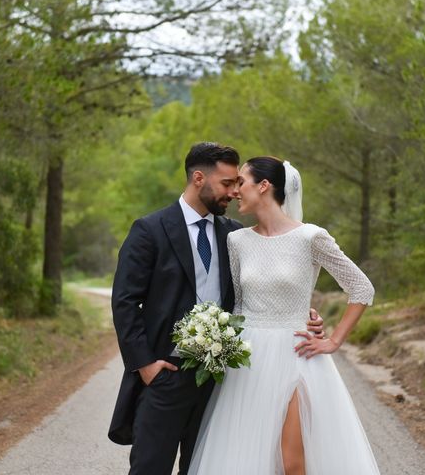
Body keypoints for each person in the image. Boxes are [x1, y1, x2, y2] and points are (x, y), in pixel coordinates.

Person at [108, 143, 324, 475]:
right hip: (165, 374)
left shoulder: (236, 236)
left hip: (221, 382)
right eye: (226, 183)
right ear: (198, 178)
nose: (234, 191)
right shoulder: (150, 230)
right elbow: (124, 301)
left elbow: (263, 289)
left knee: (206, 468)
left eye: (238, 183)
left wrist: (304, 314)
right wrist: (146, 365)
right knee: (150, 467)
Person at [189, 156, 381, 474]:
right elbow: (238, 305)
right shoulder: (236, 241)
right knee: (246, 457)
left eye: (242, 182)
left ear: (264, 186)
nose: (235, 191)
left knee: (291, 460)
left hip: (296, 354)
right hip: (248, 361)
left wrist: (333, 340)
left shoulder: (310, 237)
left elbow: (361, 289)